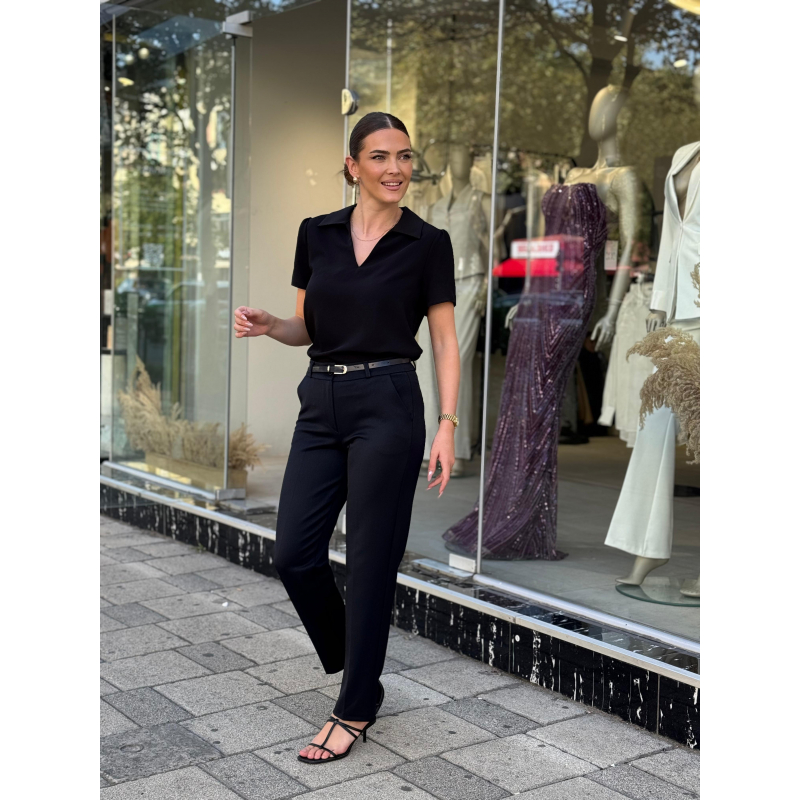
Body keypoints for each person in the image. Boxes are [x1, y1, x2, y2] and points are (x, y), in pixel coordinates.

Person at [233, 111, 460, 764]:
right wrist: (273, 324)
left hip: (388, 403)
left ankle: (356, 703)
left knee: (369, 560)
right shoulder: (318, 233)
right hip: (321, 400)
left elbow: (445, 341)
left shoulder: (428, 243)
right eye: (380, 156)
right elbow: (307, 326)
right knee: (293, 554)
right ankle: (357, 662)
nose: (396, 168)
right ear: (352, 166)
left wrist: (447, 425)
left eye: (405, 156)